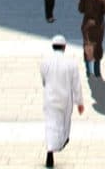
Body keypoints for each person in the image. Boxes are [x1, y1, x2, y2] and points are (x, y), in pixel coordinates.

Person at [39, 34, 86, 169]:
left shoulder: (45, 62)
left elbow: (44, 80)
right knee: (64, 122)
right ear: (64, 47)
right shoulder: (71, 63)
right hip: (65, 98)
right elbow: (76, 84)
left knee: (50, 124)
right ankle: (62, 141)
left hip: (50, 98)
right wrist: (80, 102)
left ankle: (50, 150)